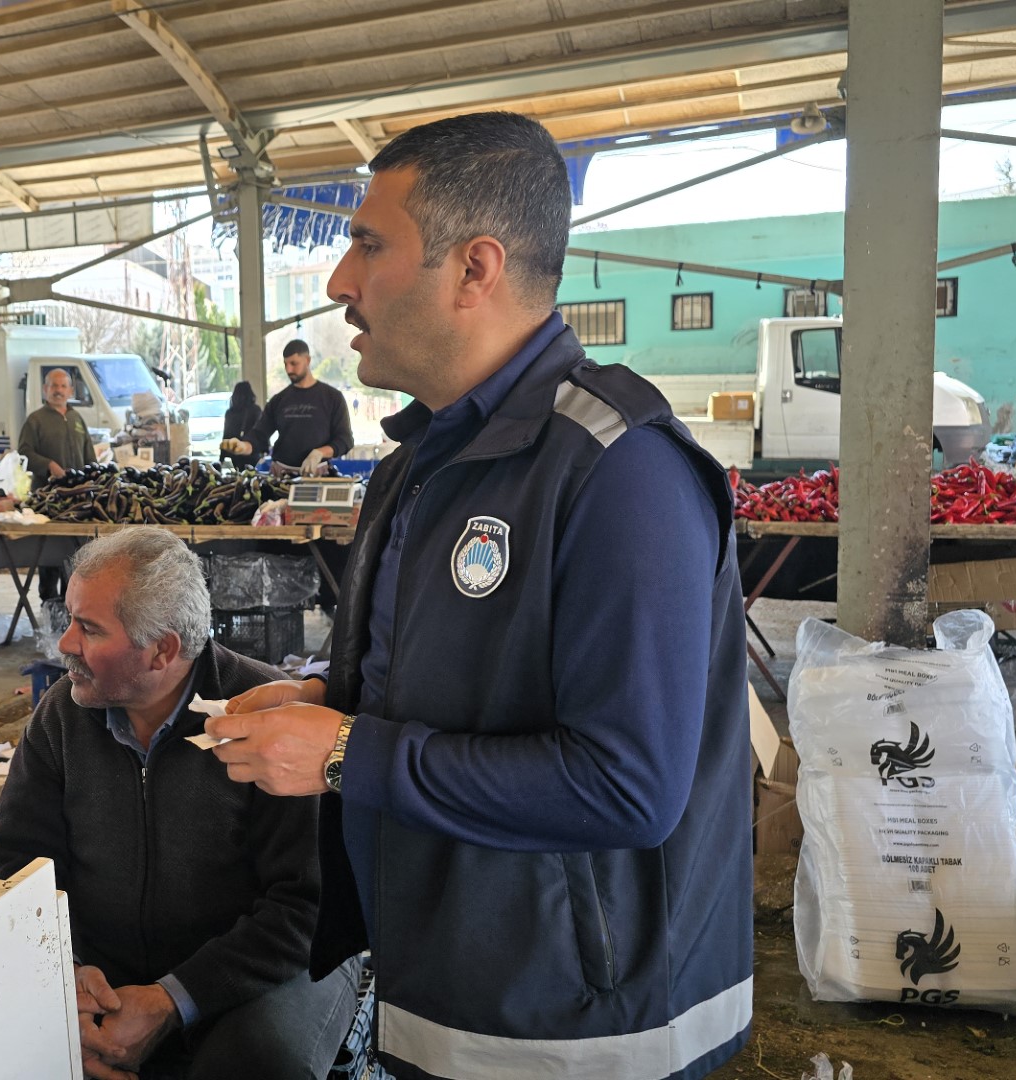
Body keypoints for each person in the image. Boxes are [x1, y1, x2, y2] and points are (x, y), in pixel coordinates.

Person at [205, 113, 753, 1080]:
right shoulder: (417, 464)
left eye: (368, 244)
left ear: (474, 268)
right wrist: (335, 703)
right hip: (444, 988)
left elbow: (626, 785)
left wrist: (346, 753)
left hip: (579, 1028)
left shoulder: (618, 472)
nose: (339, 282)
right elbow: (460, 689)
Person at [0, 528, 356, 1080]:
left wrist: (172, 1000)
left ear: (164, 649)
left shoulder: (267, 722)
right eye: (70, 620)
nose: (64, 644)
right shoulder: (61, 716)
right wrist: (67, 974)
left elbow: (307, 906)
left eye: (88, 628)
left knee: (258, 1061)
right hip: (105, 977)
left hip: (255, 973)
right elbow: (18, 866)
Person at [20, 367, 97, 602]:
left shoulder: (76, 418)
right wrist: (48, 464)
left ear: (71, 390)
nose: (59, 391)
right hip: (48, 502)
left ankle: (71, 606)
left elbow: (89, 456)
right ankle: (48, 607)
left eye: (63, 386)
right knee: (50, 557)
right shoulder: (35, 420)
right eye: (54, 386)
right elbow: (23, 452)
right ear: (45, 389)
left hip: (77, 503)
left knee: (74, 557)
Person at [238, 341, 353, 471]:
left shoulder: (333, 397)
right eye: (285, 364)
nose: (288, 370)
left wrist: (319, 453)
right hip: (281, 474)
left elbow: (345, 440)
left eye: (294, 363)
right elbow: (260, 434)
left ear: (307, 360)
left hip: (317, 474)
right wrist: (243, 446)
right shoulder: (278, 400)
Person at [219, 381, 261, 470]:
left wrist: (221, 458)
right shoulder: (255, 410)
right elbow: (260, 432)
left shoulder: (230, 413)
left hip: (235, 453)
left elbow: (226, 434)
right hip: (251, 452)